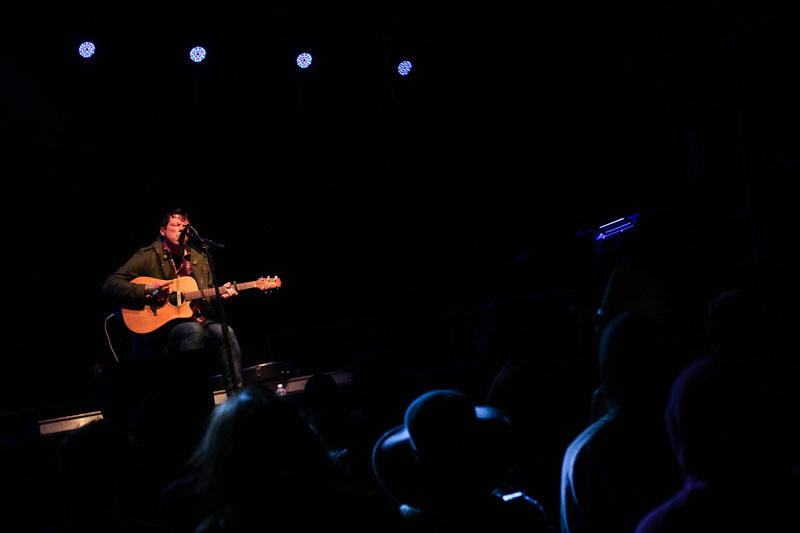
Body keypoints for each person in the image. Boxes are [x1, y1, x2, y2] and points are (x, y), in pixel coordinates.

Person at [103, 208, 243, 395]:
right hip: (162, 328)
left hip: (194, 319)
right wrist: (146, 290)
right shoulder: (148, 255)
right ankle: (194, 397)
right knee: (192, 331)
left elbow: (207, 297)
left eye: (186, 227)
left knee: (226, 332)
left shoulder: (200, 258)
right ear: (163, 231)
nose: (182, 230)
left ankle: (237, 398)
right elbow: (111, 283)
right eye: (177, 225)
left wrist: (221, 296)